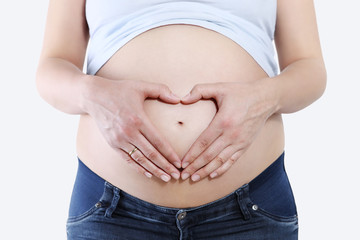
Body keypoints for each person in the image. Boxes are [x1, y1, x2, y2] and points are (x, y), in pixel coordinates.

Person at [36, 0, 326, 239]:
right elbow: (52, 66)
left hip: (249, 212)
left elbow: (310, 69)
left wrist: (262, 99)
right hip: (113, 212)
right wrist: (94, 94)